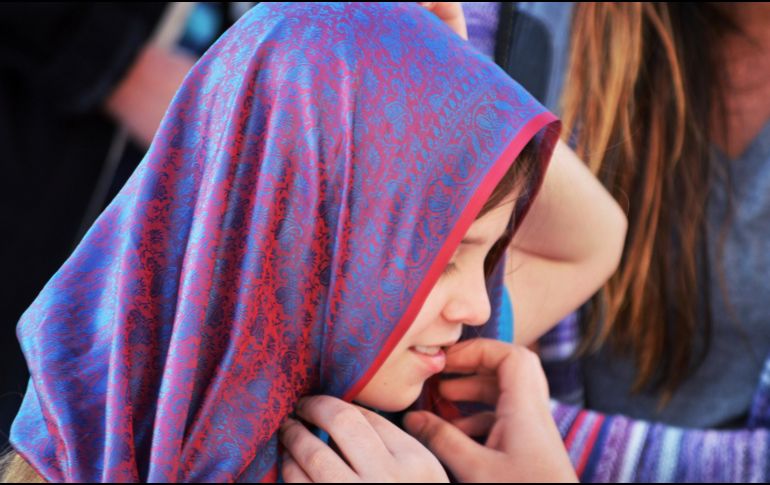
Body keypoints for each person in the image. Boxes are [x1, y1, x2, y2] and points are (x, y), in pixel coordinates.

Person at [0, 3, 626, 482]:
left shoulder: (373, 372)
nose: (479, 306)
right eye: (440, 258)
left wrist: (448, 80)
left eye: (485, 258)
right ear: (306, 240)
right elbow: (591, 241)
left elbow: (599, 238)